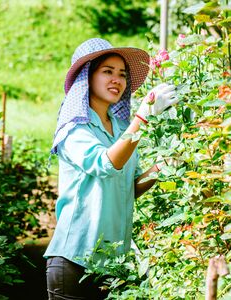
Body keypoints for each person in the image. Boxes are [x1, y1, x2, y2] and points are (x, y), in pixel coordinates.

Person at [44, 38, 179, 299]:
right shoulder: (74, 129)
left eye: (122, 74)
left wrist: (167, 163)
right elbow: (107, 164)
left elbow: (129, 186)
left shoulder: (120, 129)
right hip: (75, 259)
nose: (117, 80)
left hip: (114, 262)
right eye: (107, 71)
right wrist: (142, 117)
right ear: (87, 77)